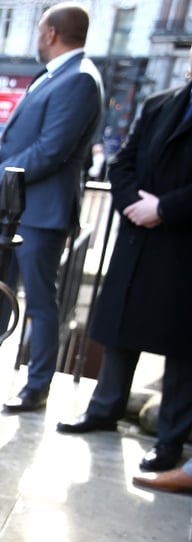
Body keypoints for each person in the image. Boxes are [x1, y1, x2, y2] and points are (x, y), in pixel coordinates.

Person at [56, 46, 192, 473]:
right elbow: (122, 163)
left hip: (183, 243)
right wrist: (134, 203)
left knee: (182, 348)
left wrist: (165, 209)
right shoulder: (160, 103)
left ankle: (170, 439)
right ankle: (104, 408)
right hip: (138, 238)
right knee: (120, 330)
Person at [0, 2, 103, 412]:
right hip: (16, 207)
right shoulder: (53, 76)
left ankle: (37, 385)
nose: (36, 38)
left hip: (42, 213)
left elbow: (53, 149)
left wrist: (3, 171)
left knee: (41, 303)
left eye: (39, 31)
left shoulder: (80, 79)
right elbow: (15, 137)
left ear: (50, 34)